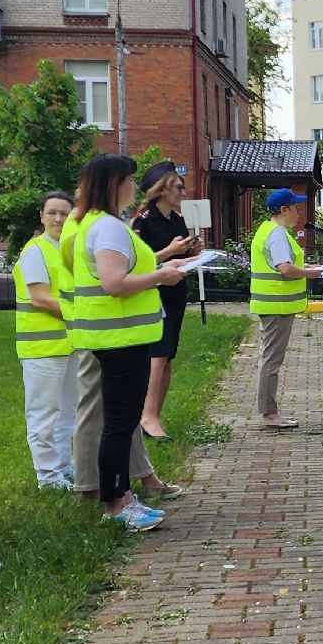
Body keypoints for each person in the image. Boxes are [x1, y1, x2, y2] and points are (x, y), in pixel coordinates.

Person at [69, 156, 194, 529]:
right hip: (120, 337)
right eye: (128, 180)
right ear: (114, 184)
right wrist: (160, 277)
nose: (133, 187)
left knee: (120, 423)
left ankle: (123, 497)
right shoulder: (108, 227)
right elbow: (114, 283)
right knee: (119, 425)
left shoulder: (96, 223)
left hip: (118, 335)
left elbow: (121, 271)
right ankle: (116, 505)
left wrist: (161, 267)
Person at [131, 163, 203, 440]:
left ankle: (155, 414)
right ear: (162, 190)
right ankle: (146, 417)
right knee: (157, 355)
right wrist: (169, 251)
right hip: (154, 293)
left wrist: (193, 252)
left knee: (168, 355)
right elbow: (135, 261)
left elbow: (179, 257)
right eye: (178, 188)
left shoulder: (176, 219)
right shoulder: (143, 220)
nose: (183, 193)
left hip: (175, 293)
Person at [253, 187, 323, 429]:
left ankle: (269, 411)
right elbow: (285, 269)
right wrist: (312, 273)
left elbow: (283, 263)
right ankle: (269, 413)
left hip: (273, 304)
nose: (298, 212)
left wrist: (307, 266)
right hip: (276, 305)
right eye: (295, 207)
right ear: (283, 210)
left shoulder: (270, 231)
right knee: (272, 360)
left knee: (270, 358)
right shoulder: (277, 234)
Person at [14, 192, 77, 489]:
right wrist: (82, 315)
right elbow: (40, 298)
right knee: (44, 415)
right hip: (42, 347)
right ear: (41, 215)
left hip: (68, 344)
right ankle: (48, 476)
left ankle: (64, 467)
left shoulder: (66, 250)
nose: (58, 219)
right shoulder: (35, 251)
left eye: (64, 213)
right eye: (52, 213)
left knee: (67, 413)